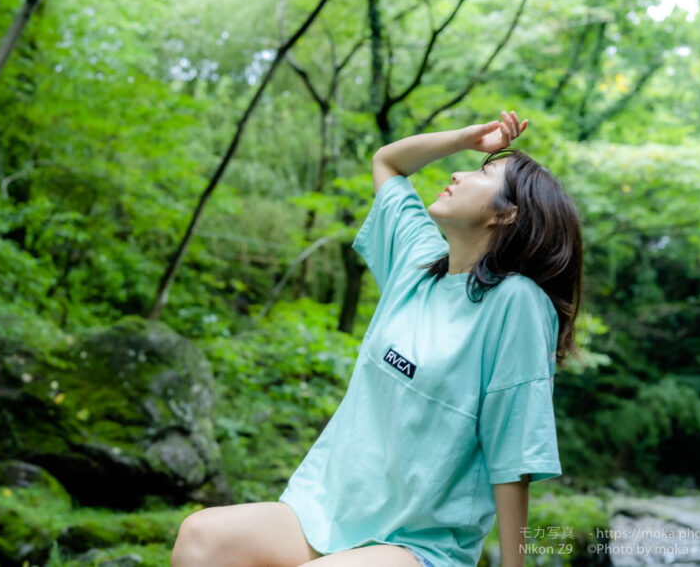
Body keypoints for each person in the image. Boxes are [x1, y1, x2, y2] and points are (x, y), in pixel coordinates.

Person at [171, 110, 583, 567]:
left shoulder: (516, 303)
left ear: (507, 213)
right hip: (327, 513)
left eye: (484, 174)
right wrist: (466, 139)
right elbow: (388, 162)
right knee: (200, 537)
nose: (458, 174)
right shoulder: (417, 262)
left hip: (418, 545)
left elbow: (513, 450)